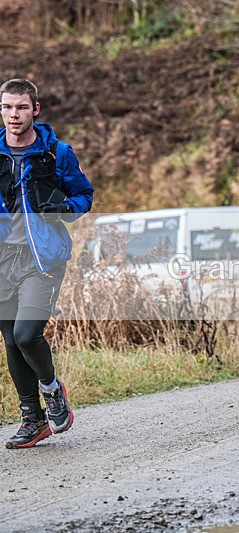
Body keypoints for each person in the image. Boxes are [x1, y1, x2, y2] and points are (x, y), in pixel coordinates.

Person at [1, 79, 94, 448]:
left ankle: (52, 391)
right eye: (7, 107)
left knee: (26, 334)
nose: (13, 115)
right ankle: (32, 419)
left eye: (21, 107)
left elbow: (84, 196)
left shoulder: (57, 152)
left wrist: (64, 210)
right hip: (3, 259)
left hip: (43, 258)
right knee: (10, 341)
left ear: (35, 110)